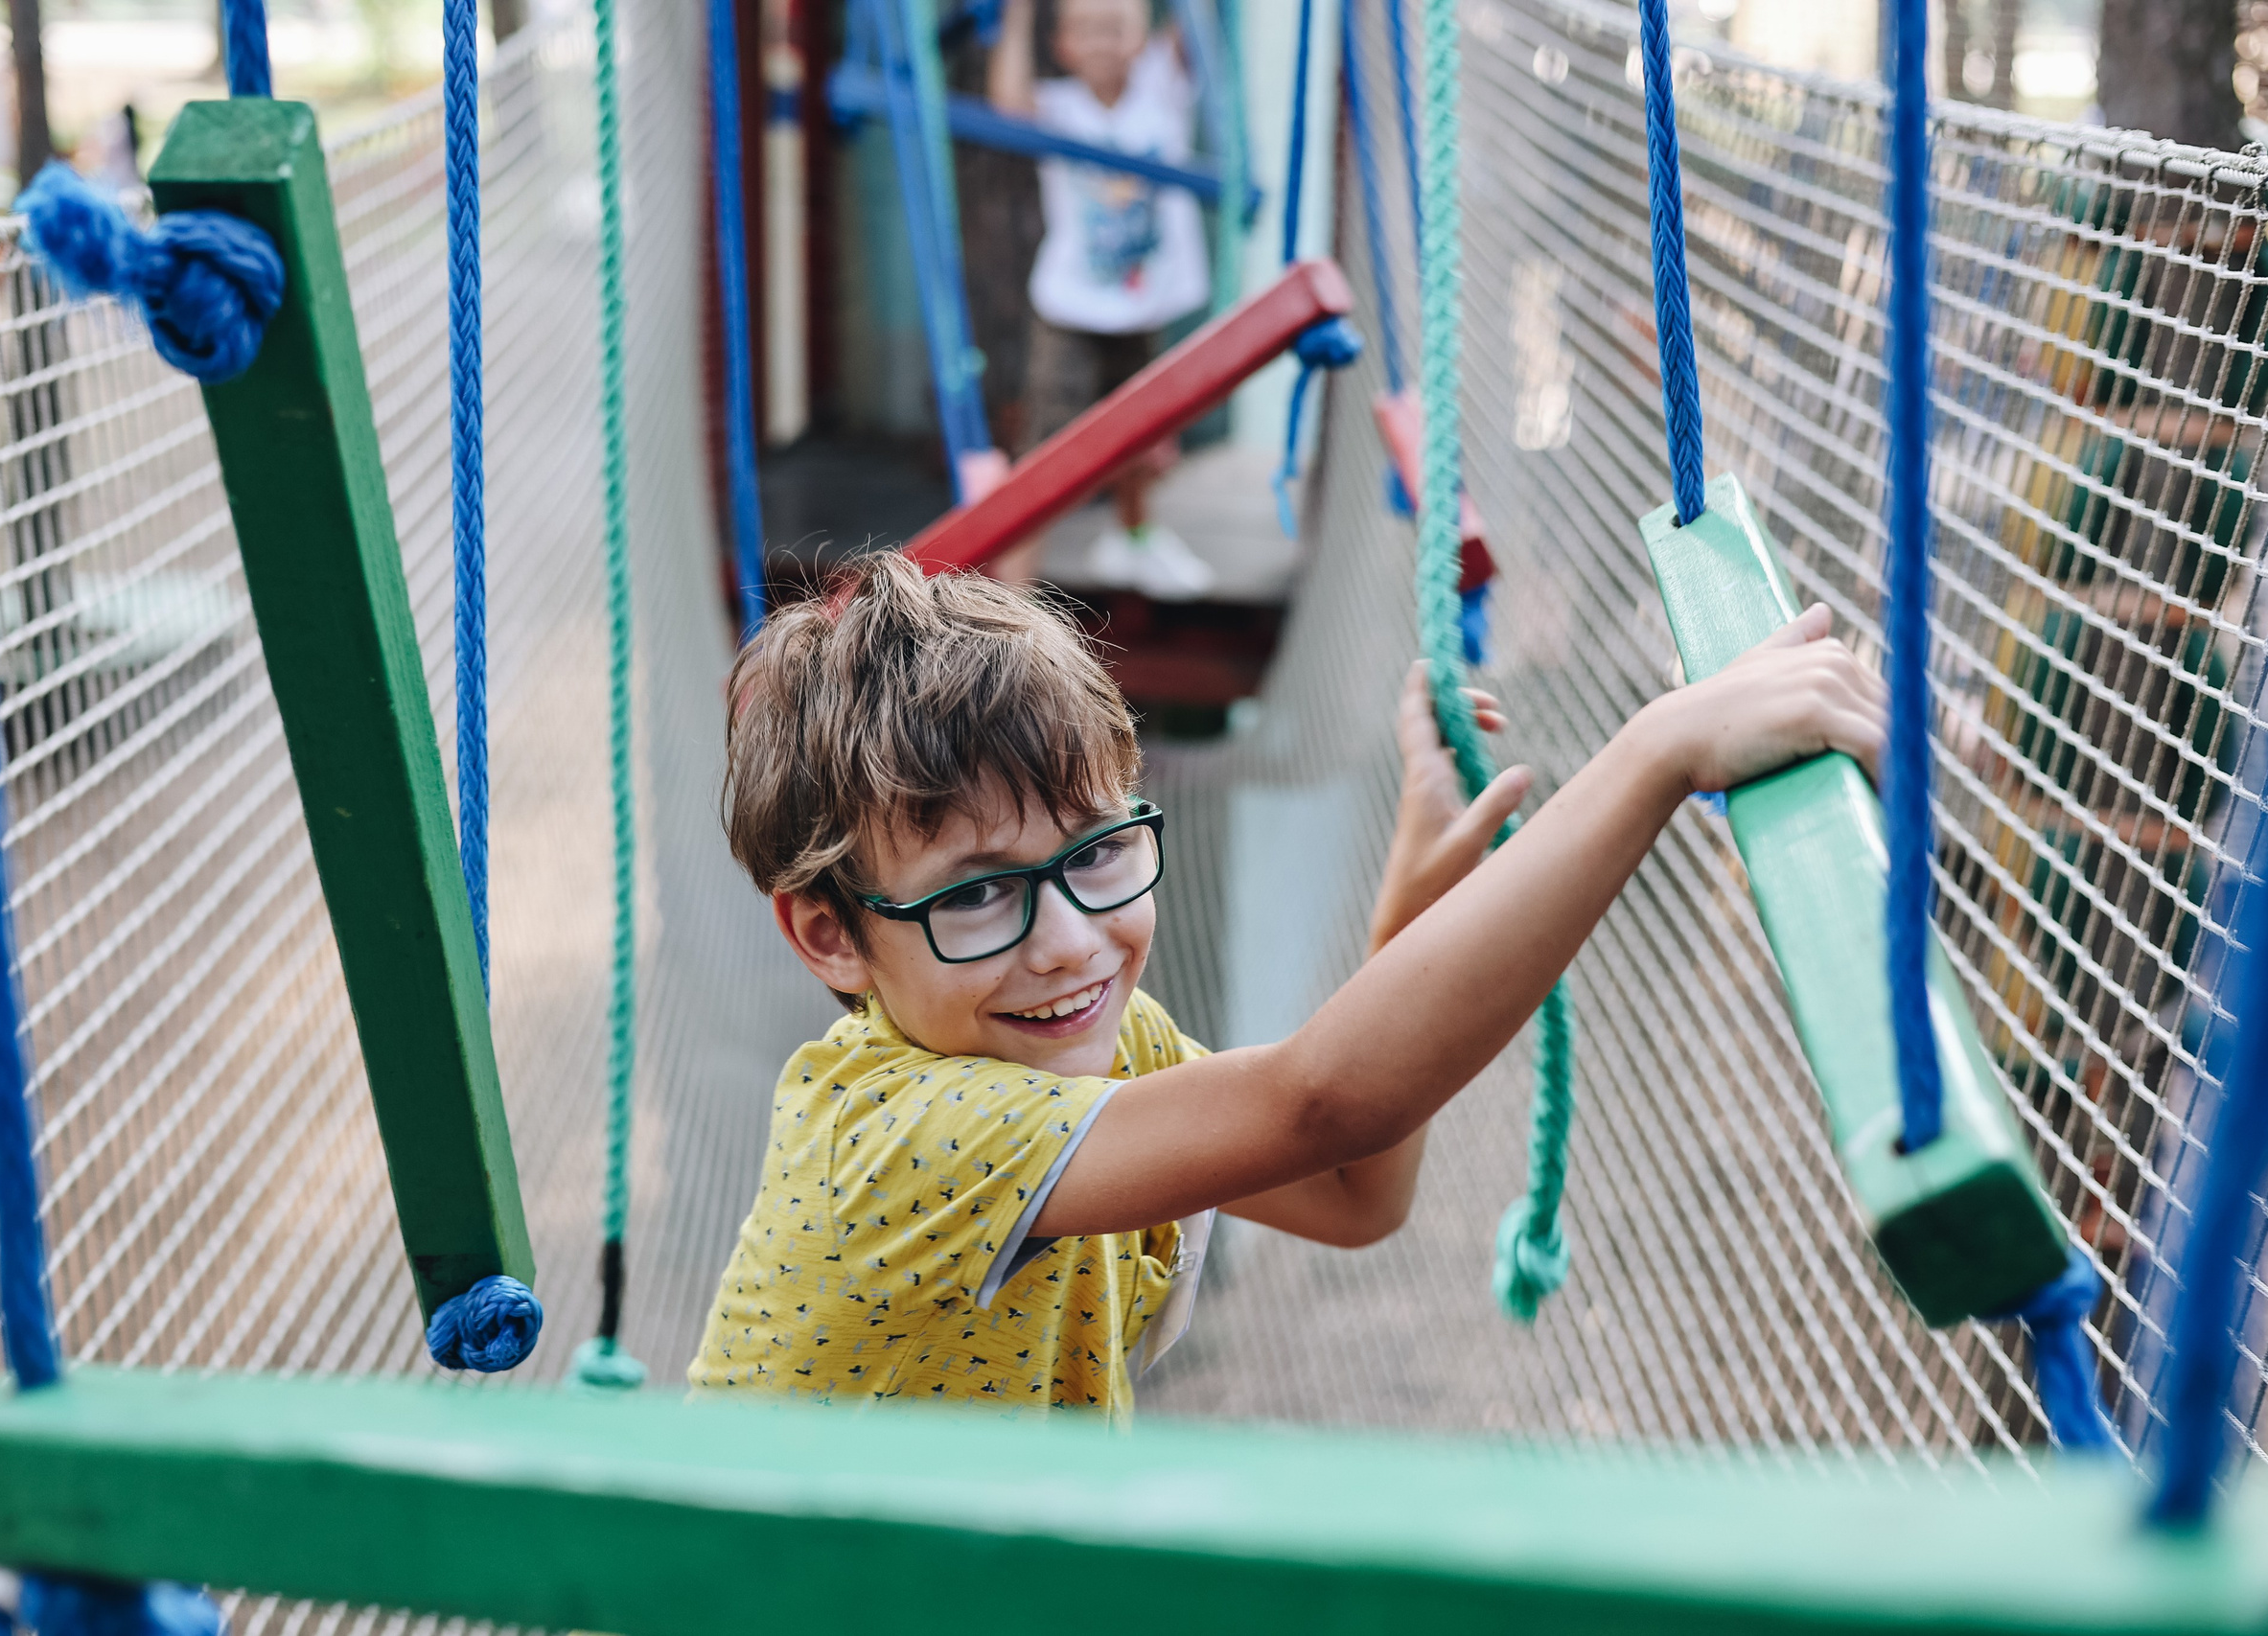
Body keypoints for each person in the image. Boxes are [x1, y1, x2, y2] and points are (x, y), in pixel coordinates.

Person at [687, 552, 1886, 1418]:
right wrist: (1655, 755)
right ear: (831, 937)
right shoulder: (907, 1140)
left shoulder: (1098, 1051)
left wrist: (1414, 896)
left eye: (1097, 852)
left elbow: (1356, 1190)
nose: (1066, 942)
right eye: (976, 894)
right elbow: (1324, 1104)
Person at [986, 0, 1215, 598]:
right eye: (1085, 31)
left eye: (1115, 29)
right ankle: (1013, 593)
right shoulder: (1061, 108)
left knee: (1142, 433)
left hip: (1141, 303)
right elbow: (1008, 104)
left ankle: (1134, 540)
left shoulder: (1163, 89)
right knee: (1043, 449)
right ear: (1061, 44)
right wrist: (1017, 15)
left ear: (1142, 38)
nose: (1101, 43)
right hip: (1071, 307)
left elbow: (1196, 28)